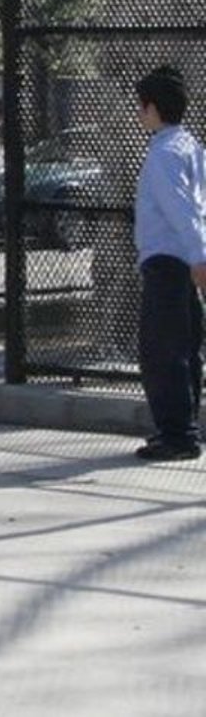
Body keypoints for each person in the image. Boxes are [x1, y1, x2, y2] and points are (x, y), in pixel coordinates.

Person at [133, 64, 206, 461]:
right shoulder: (191, 147)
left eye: (141, 106)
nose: (140, 114)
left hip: (167, 261)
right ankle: (183, 428)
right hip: (181, 262)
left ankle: (176, 435)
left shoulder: (164, 155)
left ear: (153, 108)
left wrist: (199, 257)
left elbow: (182, 211)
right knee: (185, 347)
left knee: (161, 351)